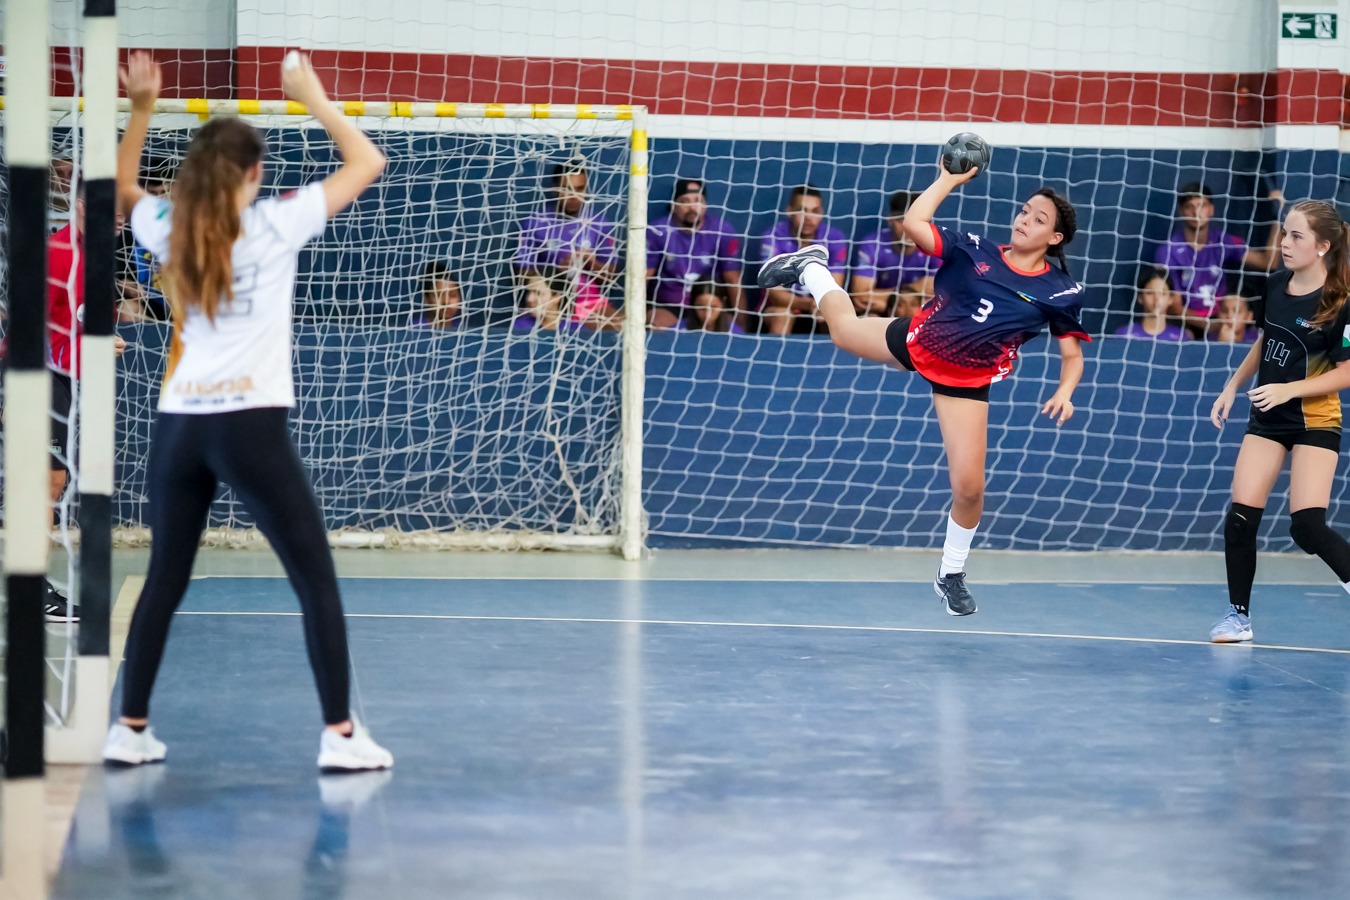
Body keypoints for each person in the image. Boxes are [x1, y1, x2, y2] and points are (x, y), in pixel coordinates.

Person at [103, 51, 394, 771]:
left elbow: (119, 190)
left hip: (178, 428)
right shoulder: (274, 224)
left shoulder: (169, 227)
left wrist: (141, 109)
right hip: (249, 426)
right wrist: (314, 100)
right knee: (313, 578)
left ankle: (129, 728)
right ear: (255, 175)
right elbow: (367, 162)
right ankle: (341, 738)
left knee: (165, 576)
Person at [757, 166, 1088, 616]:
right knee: (843, 331)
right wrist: (949, 179)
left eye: (1038, 219)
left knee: (970, 490)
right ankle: (813, 267)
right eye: (1025, 211)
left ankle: (951, 574)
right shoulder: (972, 249)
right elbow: (915, 223)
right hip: (918, 342)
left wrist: (1066, 391)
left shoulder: (1060, 291)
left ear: (1055, 238)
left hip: (964, 382)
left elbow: (1072, 356)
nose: (1024, 219)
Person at [1207, 200, 1350, 643]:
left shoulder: (1339, 301)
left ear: (1322, 246)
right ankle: (1238, 617)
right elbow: (1267, 341)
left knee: (1306, 526)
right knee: (1240, 518)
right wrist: (1232, 385)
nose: (1285, 244)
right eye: (1284, 234)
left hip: (1314, 419)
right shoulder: (1275, 285)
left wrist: (1289, 389)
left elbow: (1346, 371)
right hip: (1267, 418)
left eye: (1295, 236)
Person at [43, 183, 130, 621]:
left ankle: (31, 584)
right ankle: (32, 591)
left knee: (50, 483)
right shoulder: (57, 253)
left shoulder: (95, 255)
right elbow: (28, 331)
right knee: (48, 483)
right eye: (110, 210)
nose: (120, 218)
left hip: (63, 381)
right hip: (35, 378)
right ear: (80, 205)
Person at [1154, 182, 1282, 339]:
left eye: (1202, 205)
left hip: (1220, 318)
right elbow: (1173, 305)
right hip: (1186, 324)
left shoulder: (1222, 241)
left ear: (1211, 209)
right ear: (1182, 211)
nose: (1196, 212)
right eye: (1189, 206)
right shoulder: (1168, 251)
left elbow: (1268, 262)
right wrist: (1207, 325)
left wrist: (1279, 217)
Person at [516, 160, 623, 331]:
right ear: (555, 188)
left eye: (580, 189)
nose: (574, 196)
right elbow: (521, 271)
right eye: (567, 189)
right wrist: (555, 273)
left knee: (624, 327)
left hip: (587, 300)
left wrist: (592, 263)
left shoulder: (599, 223)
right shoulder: (536, 222)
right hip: (551, 299)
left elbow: (611, 277)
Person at [645, 178, 744, 331]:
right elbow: (643, 277)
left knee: (731, 332)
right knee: (654, 326)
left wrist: (743, 324)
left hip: (710, 306)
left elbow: (733, 279)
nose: (692, 207)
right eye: (685, 201)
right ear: (673, 206)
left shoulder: (722, 230)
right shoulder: (657, 231)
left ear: (705, 205)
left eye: (698, 200)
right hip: (670, 306)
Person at [757, 185, 849, 335]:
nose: (809, 218)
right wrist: (809, 305)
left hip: (819, 309)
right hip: (780, 308)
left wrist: (823, 306)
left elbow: (835, 286)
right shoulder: (773, 237)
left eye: (815, 211)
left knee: (832, 316)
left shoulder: (834, 238)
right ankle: (772, 357)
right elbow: (775, 294)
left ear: (822, 213)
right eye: (802, 210)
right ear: (790, 211)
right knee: (783, 315)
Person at [850, 190, 941, 319]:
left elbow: (939, 295)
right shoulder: (873, 244)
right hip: (881, 314)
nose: (909, 228)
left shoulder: (935, 245)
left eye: (917, 221)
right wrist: (916, 288)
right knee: (870, 317)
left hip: (919, 314)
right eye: (901, 220)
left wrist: (884, 299)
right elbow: (862, 297)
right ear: (890, 220)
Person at [1113, 269, 1191, 341]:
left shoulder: (1180, 337)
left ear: (1170, 299)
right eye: (1150, 293)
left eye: (1162, 293)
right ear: (1140, 298)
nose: (1156, 299)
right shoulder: (1124, 334)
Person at [417, 259, 461, 329]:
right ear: (426, 299)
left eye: (452, 295)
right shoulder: (414, 330)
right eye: (439, 295)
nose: (446, 302)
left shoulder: (461, 330)